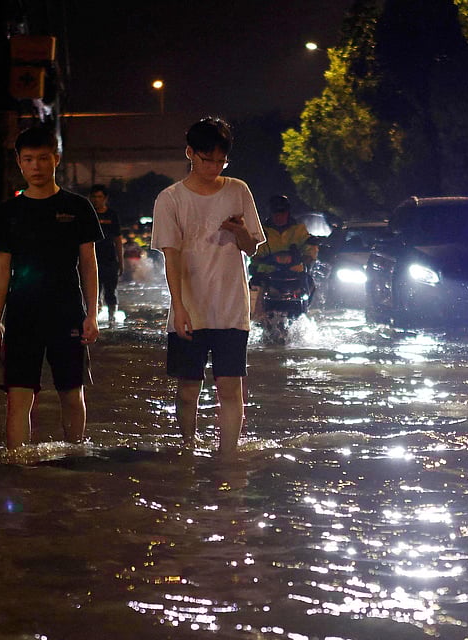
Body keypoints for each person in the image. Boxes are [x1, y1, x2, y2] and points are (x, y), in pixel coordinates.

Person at [151, 117, 265, 456]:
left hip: (231, 307)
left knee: (230, 387)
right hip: (191, 309)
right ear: (190, 153)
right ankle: (187, 449)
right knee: (188, 389)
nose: (214, 167)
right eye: (207, 159)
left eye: (220, 160)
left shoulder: (238, 190)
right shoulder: (170, 199)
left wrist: (239, 231)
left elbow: (252, 246)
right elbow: (170, 257)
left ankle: (227, 457)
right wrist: (179, 306)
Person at [0, 126, 102, 449]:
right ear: (19, 163)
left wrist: (92, 314)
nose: (36, 166)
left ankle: (76, 456)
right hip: (22, 315)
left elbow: (88, 264)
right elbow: (1, 268)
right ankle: (18, 468)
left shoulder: (78, 208)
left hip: (67, 313)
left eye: (42, 158)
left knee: (72, 392)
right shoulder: (8, 211)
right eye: (28, 159)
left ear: (56, 159)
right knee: (18, 398)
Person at [249, 194, 317, 318]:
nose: (279, 216)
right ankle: (255, 318)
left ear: (288, 212)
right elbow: (254, 252)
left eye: (283, 212)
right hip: (267, 276)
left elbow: (310, 249)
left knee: (310, 283)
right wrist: (264, 259)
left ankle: (304, 313)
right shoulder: (262, 231)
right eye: (276, 212)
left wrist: (308, 255)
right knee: (253, 287)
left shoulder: (299, 230)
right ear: (270, 213)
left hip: (294, 275)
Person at [88, 185, 124, 326]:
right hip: (92, 261)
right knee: (93, 292)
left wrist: (121, 262)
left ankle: (111, 319)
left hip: (109, 261)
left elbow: (118, 240)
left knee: (110, 291)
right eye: (94, 197)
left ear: (105, 198)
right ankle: (93, 319)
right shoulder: (88, 214)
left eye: (99, 197)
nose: (96, 200)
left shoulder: (112, 215)